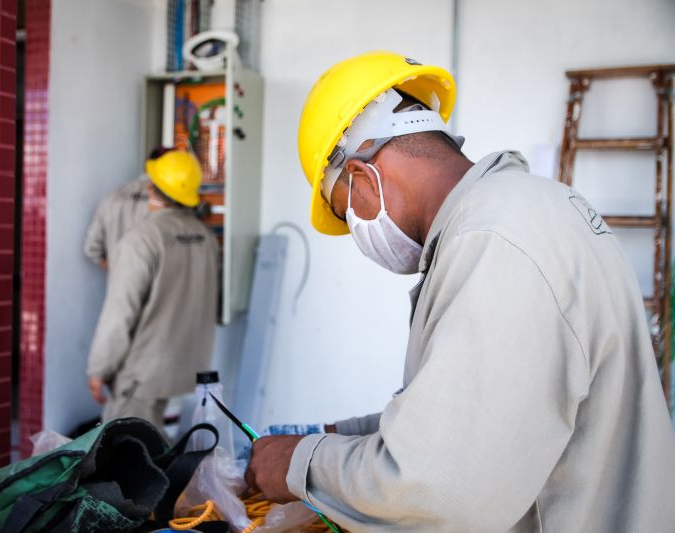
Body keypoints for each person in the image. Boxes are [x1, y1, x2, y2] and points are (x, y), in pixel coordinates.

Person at [244, 51, 675, 532]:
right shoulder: (527, 210)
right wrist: (339, 436)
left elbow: (438, 489)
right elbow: (480, 416)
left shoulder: (494, 241)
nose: (358, 233)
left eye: (347, 213)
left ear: (364, 175)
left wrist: (300, 464)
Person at [86, 149, 219, 432]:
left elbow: (120, 314)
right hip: (185, 366)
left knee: (122, 453)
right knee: (159, 451)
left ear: (152, 188)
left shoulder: (141, 240)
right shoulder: (204, 237)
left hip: (144, 373)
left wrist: (99, 369)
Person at [82, 149, 171, 270]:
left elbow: (91, 248)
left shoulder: (112, 197)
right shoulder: (169, 202)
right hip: (160, 283)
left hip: (120, 284)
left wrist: (117, 272)